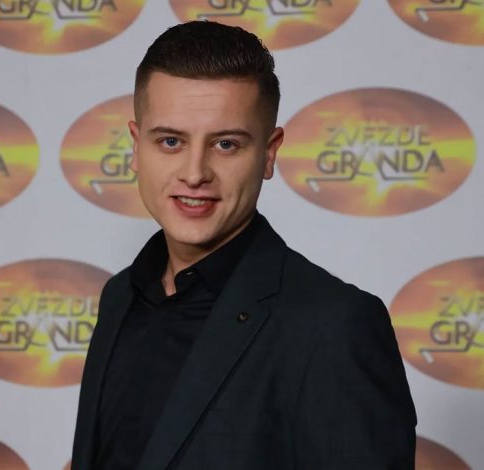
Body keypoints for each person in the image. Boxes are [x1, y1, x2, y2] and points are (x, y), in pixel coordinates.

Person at [72, 21, 416, 470]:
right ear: (137, 147)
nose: (194, 173)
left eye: (226, 144)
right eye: (171, 141)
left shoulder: (334, 324)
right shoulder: (120, 295)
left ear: (269, 153)